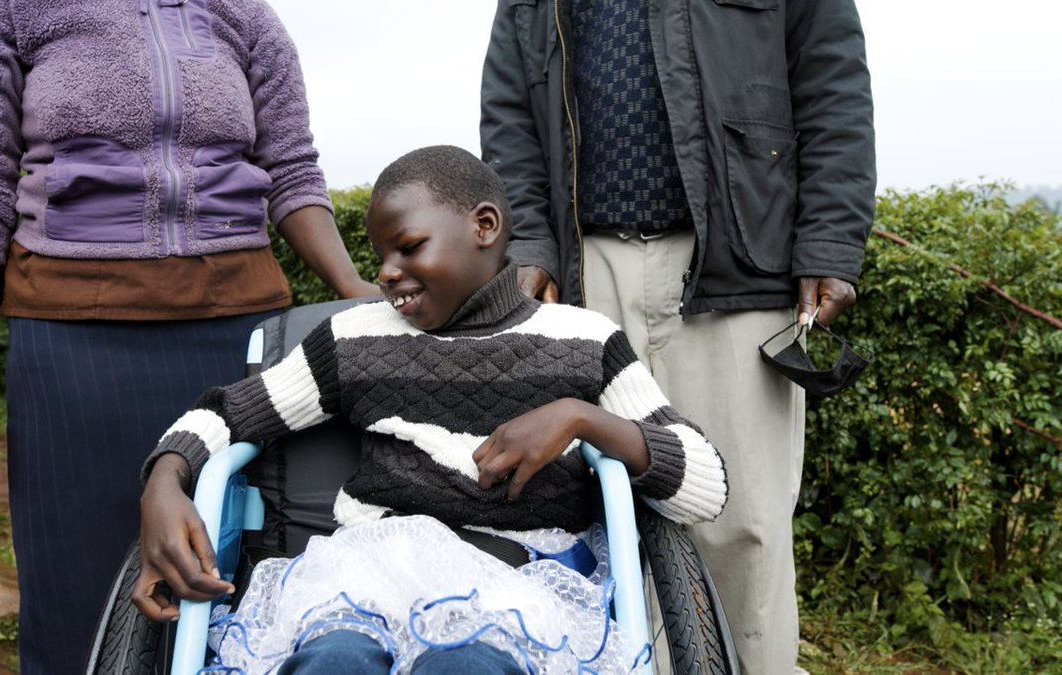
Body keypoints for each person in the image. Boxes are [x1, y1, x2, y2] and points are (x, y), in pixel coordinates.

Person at [132, 145, 730, 672]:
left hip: (516, 582)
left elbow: (704, 484)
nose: (386, 274)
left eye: (409, 247)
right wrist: (164, 482)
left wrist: (580, 416)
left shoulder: (584, 341)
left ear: (485, 226)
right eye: (379, 255)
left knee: (466, 664)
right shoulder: (357, 338)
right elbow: (230, 413)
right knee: (334, 662)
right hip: (372, 573)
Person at [0, 1, 377, 671]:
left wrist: (354, 289)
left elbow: (290, 166)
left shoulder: (244, 14)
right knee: (80, 594)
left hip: (236, 337)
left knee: (229, 581)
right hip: (75, 343)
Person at [479, 1, 876, 672]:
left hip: (737, 261)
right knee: (597, 521)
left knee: (742, 524)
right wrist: (531, 243)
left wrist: (831, 240)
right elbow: (510, 108)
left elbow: (831, 80)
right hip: (585, 271)